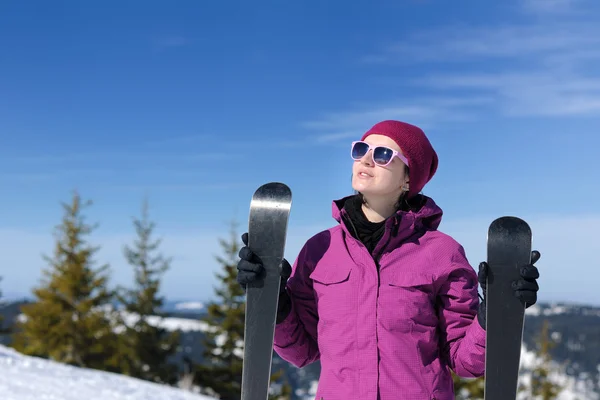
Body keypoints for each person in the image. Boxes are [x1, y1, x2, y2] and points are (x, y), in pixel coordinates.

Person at [237, 120, 540, 400]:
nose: (366, 159)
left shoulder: (441, 253)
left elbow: (464, 361)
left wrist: (495, 316)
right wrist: (275, 304)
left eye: (383, 154)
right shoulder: (320, 249)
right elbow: (302, 350)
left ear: (408, 179)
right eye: (360, 150)